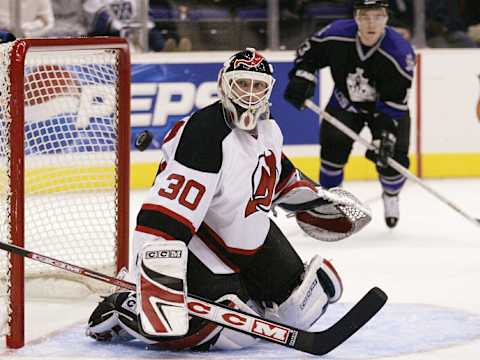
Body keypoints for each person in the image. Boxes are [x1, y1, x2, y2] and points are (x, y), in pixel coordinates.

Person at [86, 48, 371, 351]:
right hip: (202, 244)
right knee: (232, 332)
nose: (250, 94)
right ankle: (124, 305)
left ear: (268, 90)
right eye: (242, 84)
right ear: (224, 84)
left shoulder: (270, 130)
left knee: (302, 306)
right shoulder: (205, 135)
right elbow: (164, 215)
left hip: (250, 238)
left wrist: (317, 200)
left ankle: (241, 291)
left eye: (257, 86)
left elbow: (278, 176)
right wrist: (154, 279)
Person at [284, 0, 415, 228]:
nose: (371, 23)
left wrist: (385, 136)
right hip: (345, 103)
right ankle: (330, 204)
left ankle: (391, 194)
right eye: (365, 16)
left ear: (387, 19)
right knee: (331, 154)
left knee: (392, 162)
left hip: (385, 110)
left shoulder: (400, 53)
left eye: (378, 16)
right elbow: (308, 54)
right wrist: (302, 76)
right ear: (355, 17)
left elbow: (394, 102)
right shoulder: (336, 34)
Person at [83, 0, 165, 52]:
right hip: (109, 32)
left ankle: (161, 54)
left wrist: (142, 28)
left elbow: (144, 15)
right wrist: (122, 29)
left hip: (133, 28)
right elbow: (100, 17)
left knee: (157, 40)